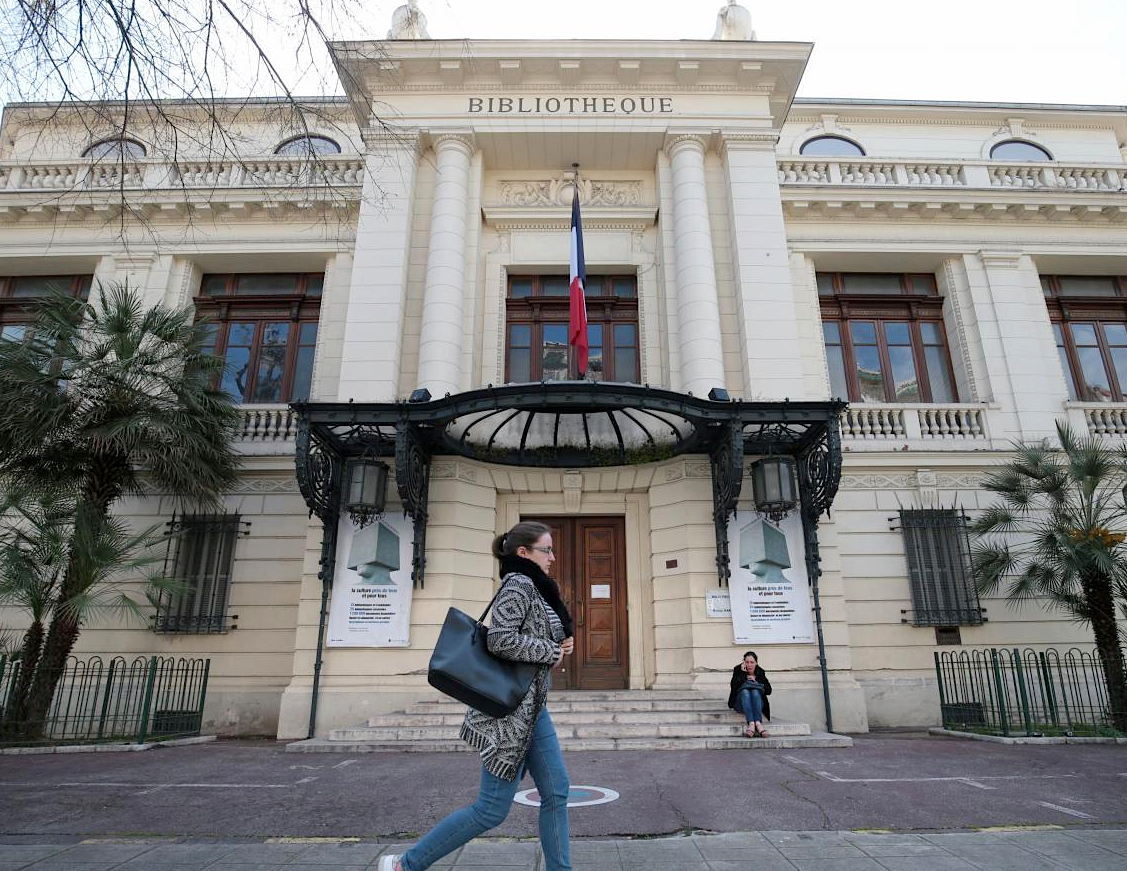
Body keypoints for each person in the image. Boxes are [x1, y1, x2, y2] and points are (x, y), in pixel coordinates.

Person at [379, 521, 575, 871]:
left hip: (532, 712)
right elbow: (499, 639)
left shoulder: (537, 588)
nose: (553, 557)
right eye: (546, 549)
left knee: (557, 792)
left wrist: (560, 645)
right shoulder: (518, 584)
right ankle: (404, 865)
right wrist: (550, 650)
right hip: (507, 716)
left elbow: (535, 640)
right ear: (523, 553)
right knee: (490, 810)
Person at [727, 650, 772, 738]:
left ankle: (757, 723)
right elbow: (733, 687)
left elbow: (769, 690)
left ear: (756, 663)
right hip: (740, 703)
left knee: (755, 692)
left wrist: (756, 680)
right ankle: (752, 723)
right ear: (743, 662)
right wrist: (743, 674)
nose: (749, 665)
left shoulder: (760, 672)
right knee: (745, 692)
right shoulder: (738, 670)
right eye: (747, 662)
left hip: (757, 702)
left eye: (752, 662)